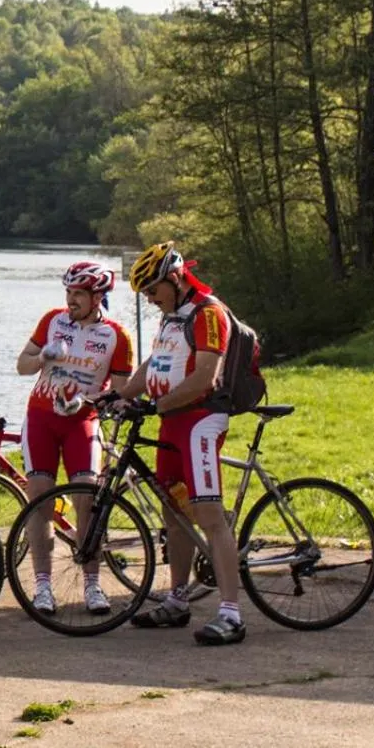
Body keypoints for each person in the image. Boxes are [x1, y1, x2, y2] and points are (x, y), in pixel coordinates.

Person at [115, 241, 247, 645]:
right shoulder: (172, 317)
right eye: (145, 294)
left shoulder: (208, 313)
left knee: (209, 515)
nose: (150, 299)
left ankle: (231, 615)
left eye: (153, 290)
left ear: (175, 278)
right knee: (173, 514)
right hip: (172, 423)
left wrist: (157, 405)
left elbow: (205, 376)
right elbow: (153, 363)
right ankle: (177, 600)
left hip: (200, 422)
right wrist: (119, 396)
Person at [14, 261, 133, 616]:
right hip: (41, 418)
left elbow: (122, 392)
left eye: (78, 293)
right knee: (40, 501)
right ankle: (43, 586)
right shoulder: (53, 321)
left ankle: (92, 583)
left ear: (98, 297)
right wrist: (42, 356)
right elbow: (22, 366)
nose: (71, 299)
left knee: (86, 498)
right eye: (68, 292)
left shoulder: (116, 335)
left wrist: (90, 400)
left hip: (82, 421)